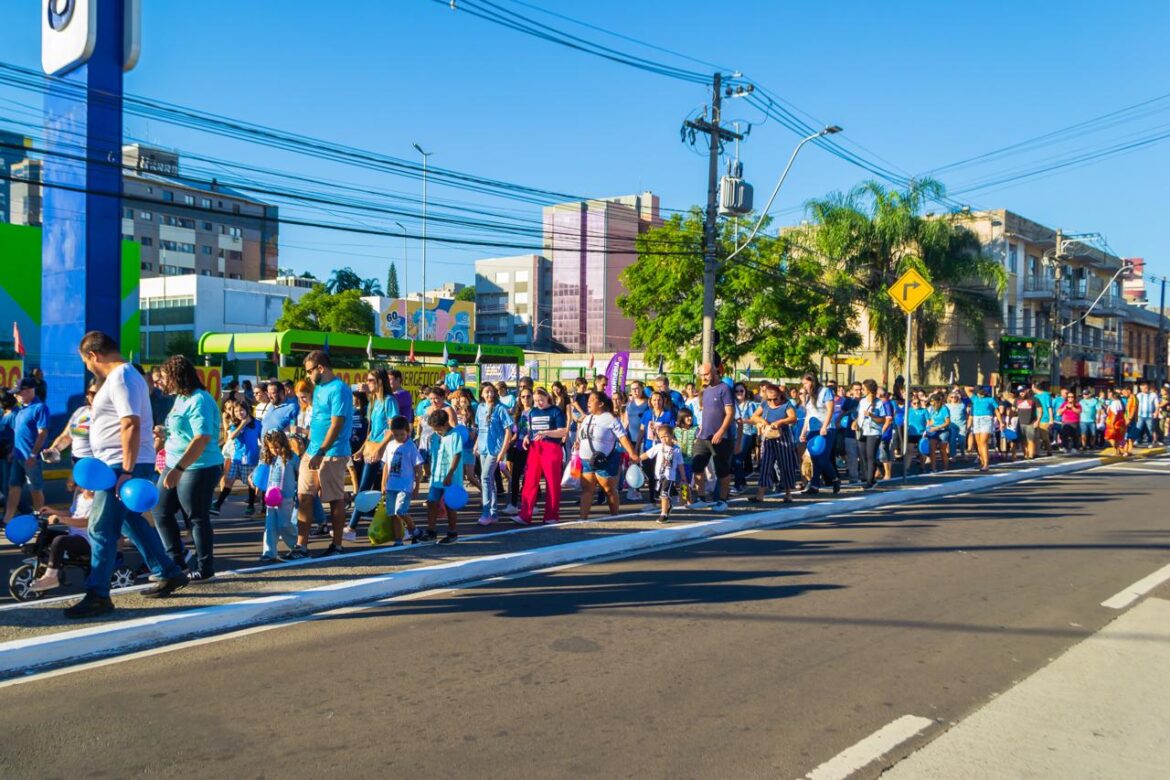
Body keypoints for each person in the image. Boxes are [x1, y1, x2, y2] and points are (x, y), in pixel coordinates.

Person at [65, 331, 188, 618]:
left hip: (121, 464)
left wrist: (127, 471)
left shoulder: (120, 377)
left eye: (86, 361)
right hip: (119, 463)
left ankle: (98, 594)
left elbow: (130, 423)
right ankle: (168, 571)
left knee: (100, 528)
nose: (87, 367)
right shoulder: (125, 376)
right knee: (129, 521)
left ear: (93, 355)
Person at [155, 355, 224, 581]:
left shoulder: (199, 400)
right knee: (160, 510)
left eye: (165, 378)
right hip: (175, 463)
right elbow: (181, 431)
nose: (162, 382)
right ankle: (177, 560)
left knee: (195, 517)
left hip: (199, 466)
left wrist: (179, 468)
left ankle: (205, 567)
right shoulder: (180, 399)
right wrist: (164, 433)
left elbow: (202, 437)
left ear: (177, 376)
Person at [295, 350, 354, 558]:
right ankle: (301, 546)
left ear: (321, 368)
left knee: (334, 499)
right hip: (313, 450)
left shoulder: (339, 389)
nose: (308, 376)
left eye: (310, 371)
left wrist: (322, 451)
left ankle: (336, 545)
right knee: (304, 496)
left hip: (332, 452)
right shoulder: (319, 388)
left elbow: (337, 424)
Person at [347, 369, 396, 540]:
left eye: (370, 380)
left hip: (384, 448)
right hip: (372, 446)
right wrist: (362, 449)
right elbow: (372, 429)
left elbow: (392, 428)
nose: (367, 383)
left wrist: (380, 448)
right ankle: (353, 527)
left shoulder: (389, 401)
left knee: (365, 487)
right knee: (367, 487)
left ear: (380, 382)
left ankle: (352, 527)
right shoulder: (374, 401)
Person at [575, 391, 639, 520]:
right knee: (587, 489)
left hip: (605, 460)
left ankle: (614, 516)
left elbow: (622, 437)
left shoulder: (610, 419)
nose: (588, 402)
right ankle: (582, 519)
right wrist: (577, 442)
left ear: (601, 404)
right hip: (586, 461)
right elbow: (582, 435)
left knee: (609, 489)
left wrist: (632, 453)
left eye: (592, 400)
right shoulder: (587, 418)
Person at [516, 386, 566, 525]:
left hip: (551, 448)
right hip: (535, 448)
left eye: (541, 400)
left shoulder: (556, 411)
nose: (539, 403)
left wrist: (546, 433)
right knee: (530, 481)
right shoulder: (533, 412)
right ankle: (525, 515)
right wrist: (527, 437)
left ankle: (551, 515)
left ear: (548, 397)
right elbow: (531, 430)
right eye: (536, 400)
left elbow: (562, 431)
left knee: (552, 483)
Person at [30, 489, 95, 592]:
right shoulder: (80, 497)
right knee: (46, 534)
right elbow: (71, 513)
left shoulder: (97, 502)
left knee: (59, 541)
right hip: (74, 535)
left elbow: (86, 522)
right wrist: (52, 511)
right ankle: (39, 560)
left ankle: (51, 577)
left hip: (88, 542)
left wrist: (61, 519)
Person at [5, 377, 50, 523]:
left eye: (18, 392)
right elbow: (18, 433)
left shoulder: (39, 408)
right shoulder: (21, 409)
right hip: (18, 456)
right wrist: (13, 451)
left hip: (31, 458)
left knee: (35, 490)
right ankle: (7, 519)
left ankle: (40, 519)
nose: (15, 395)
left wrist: (33, 455)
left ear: (29, 390)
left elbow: (42, 433)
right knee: (13, 486)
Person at [749, 382, 799, 502]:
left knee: (785, 464)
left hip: (782, 436)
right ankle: (760, 494)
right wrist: (762, 421)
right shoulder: (765, 403)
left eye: (774, 399)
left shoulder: (786, 404)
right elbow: (754, 416)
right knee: (765, 464)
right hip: (767, 437)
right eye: (769, 399)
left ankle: (788, 493)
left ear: (780, 395)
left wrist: (780, 422)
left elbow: (793, 418)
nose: (772, 402)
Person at [257, 429, 299, 563]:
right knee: (270, 526)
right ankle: (269, 552)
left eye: (277, 446)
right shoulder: (268, 458)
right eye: (271, 447)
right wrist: (257, 486)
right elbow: (261, 474)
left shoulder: (291, 458)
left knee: (284, 524)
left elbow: (301, 472)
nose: (274, 450)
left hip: (286, 497)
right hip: (271, 497)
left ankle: (297, 545)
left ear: (283, 444)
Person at [213, 400, 261, 517]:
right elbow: (232, 436)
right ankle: (218, 504)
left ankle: (250, 506)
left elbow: (261, 438)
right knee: (229, 481)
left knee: (251, 484)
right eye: (236, 411)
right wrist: (243, 423)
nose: (239, 413)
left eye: (241, 410)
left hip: (250, 457)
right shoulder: (235, 423)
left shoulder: (257, 423)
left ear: (247, 410)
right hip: (237, 458)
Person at [380, 415, 424, 545]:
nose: (399, 437)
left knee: (400, 511)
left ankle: (414, 530)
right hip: (391, 485)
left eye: (401, 434)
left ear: (408, 432)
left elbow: (418, 468)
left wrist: (417, 487)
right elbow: (386, 466)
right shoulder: (390, 446)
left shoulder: (410, 446)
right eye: (395, 435)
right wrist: (383, 483)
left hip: (405, 486)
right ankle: (398, 539)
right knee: (392, 514)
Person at [474, 382, 513, 525]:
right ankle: (493, 512)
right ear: (482, 394)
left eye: (491, 391)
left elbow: (508, 430)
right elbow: (480, 429)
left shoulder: (500, 409)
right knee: (489, 480)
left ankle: (486, 513)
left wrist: (502, 451)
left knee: (484, 478)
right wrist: (476, 445)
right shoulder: (480, 408)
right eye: (486, 392)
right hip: (483, 448)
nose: (490, 394)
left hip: (495, 449)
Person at [424, 409, 463, 545]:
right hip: (436, 477)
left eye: (438, 429)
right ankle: (431, 532)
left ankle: (452, 533)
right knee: (432, 503)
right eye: (434, 429)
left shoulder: (455, 435)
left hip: (449, 478)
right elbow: (432, 456)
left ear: (446, 423)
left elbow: (457, 454)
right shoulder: (435, 437)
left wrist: (450, 473)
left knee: (450, 505)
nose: (436, 431)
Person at [799, 372, 841, 495]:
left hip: (827, 428)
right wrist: (803, 432)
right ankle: (834, 478)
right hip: (813, 429)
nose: (805, 386)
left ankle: (814, 485)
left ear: (812, 381)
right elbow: (808, 415)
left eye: (806, 383)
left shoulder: (825, 391)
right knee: (815, 457)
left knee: (822, 456)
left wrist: (824, 426)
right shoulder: (808, 396)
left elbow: (830, 410)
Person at [639, 424, 686, 523]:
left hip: (669, 476)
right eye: (661, 437)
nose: (664, 439)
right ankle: (670, 503)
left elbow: (681, 464)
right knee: (661, 494)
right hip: (659, 476)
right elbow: (647, 454)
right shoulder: (658, 447)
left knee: (663, 495)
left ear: (672, 435)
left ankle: (664, 514)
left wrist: (683, 476)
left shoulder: (676, 449)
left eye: (666, 436)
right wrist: (635, 459)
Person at [47, 384, 97, 471]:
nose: (94, 397)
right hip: (76, 461)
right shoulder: (80, 411)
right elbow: (67, 436)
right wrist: (53, 450)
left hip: (96, 462)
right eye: (91, 393)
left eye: (98, 393)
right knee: (73, 484)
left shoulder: (108, 414)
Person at [501, 386, 534, 516]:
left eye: (528, 396)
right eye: (523, 396)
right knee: (515, 476)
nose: (526, 399)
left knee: (529, 478)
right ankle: (513, 504)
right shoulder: (518, 414)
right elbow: (516, 432)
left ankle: (531, 504)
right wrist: (509, 443)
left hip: (532, 448)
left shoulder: (535, 412)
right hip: (518, 448)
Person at [856, 379, 890, 488]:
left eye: (863, 389)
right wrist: (855, 422)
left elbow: (882, 419)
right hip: (862, 431)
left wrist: (871, 415)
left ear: (869, 390)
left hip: (874, 431)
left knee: (870, 456)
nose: (862, 391)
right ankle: (867, 477)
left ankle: (870, 481)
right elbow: (860, 415)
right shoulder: (862, 401)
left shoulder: (879, 402)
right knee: (863, 455)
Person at [732, 382, 760, 494]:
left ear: (745, 392)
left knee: (738, 459)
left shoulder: (750, 404)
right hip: (734, 434)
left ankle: (738, 485)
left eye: (741, 391)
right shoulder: (732, 404)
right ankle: (742, 483)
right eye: (737, 391)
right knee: (735, 460)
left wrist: (742, 420)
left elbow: (755, 419)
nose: (739, 393)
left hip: (746, 433)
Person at [969, 385, 1001, 472]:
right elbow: (966, 389)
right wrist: (974, 388)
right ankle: (982, 462)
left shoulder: (990, 399)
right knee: (979, 444)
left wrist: (1001, 422)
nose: (981, 393)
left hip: (986, 419)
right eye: (979, 391)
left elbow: (997, 412)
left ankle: (986, 464)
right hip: (976, 419)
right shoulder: (975, 398)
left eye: (982, 391)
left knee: (983, 442)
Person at [924, 393, 952, 471]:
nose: (932, 403)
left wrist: (937, 427)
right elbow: (931, 421)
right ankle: (933, 468)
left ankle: (945, 467)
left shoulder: (944, 408)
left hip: (943, 431)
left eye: (933, 402)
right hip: (933, 431)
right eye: (931, 402)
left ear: (938, 401)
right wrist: (927, 429)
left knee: (942, 450)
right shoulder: (931, 409)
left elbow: (947, 422)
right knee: (932, 449)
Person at [1056, 389, 1082, 453]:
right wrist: (1065, 407)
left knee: (1075, 436)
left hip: (1075, 422)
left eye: (1072, 397)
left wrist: (1072, 407)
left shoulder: (1077, 404)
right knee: (1065, 436)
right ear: (1067, 398)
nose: (1070, 398)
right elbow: (1059, 412)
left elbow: (1079, 411)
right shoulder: (1064, 404)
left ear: (1074, 398)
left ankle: (1075, 448)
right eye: (1069, 397)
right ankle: (1065, 447)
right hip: (1066, 422)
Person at [1135, 381, 1160, 446]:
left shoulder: (1153, 395)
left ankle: (1150, 441)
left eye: (1145, 388)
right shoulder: (1138, 395)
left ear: (1148, 387)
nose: (1143, 389)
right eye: (1142, 388)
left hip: (1149, 415)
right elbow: (1136, 405)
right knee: (1138, 428)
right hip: (1140, 415)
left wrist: (1156, 412)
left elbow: (1157, 405)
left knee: (1150, 429)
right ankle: (1138, 440)